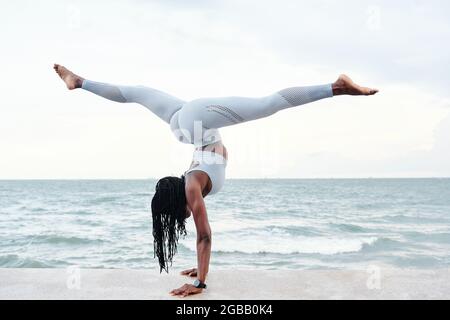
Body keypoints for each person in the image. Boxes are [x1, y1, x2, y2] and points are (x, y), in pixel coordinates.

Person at [54, 64, 378, 297]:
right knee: (135, 94)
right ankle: (79, 81)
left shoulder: (192, 186)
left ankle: (336, 87)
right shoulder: (191, 177)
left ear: (177, 199)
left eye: (173, 213)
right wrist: (200, 266)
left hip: (194, 122)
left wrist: (200, 283)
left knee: (267, 105)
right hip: (185, 126)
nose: (180, 217)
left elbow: (205, 236)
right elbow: (201, 239)